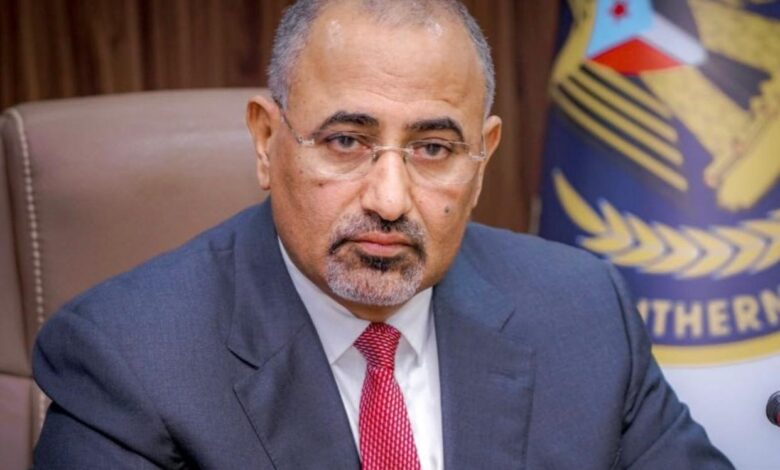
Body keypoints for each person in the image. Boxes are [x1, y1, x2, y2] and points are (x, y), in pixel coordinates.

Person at [32, 0, 733, 468]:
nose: (390, 200)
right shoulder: (128, 359)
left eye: (433, 149)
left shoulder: (583, 313)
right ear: (267, 140)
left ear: (481, 159)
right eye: (345, 141)